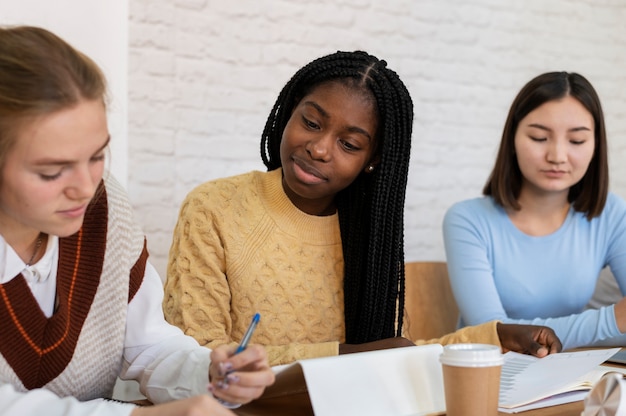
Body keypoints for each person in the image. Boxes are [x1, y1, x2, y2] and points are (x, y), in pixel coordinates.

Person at [163, 51, 562, 367]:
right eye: (312, 123)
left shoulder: (370, 235)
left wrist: (497, 338)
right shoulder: (214, 208)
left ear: (372, 160)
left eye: (349, 145)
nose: (319, 149)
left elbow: (395, 352)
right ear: (289, 111)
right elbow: (192, 361)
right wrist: (342, 356)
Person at [0, 25, 274, 416]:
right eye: (52, 172)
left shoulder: (106, 205)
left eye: (97, 156)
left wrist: (210, 373)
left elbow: (147, 345)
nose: (85, 187)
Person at [443, 71, 626, 351]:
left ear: (595, 146)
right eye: (540, 138)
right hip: (488, 379)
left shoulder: (611, 214)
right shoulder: (467, 220)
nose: (557, 156)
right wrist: (611, 320)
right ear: (513, 138)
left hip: (569, 378)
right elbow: (495, 335)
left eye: (576, 141)